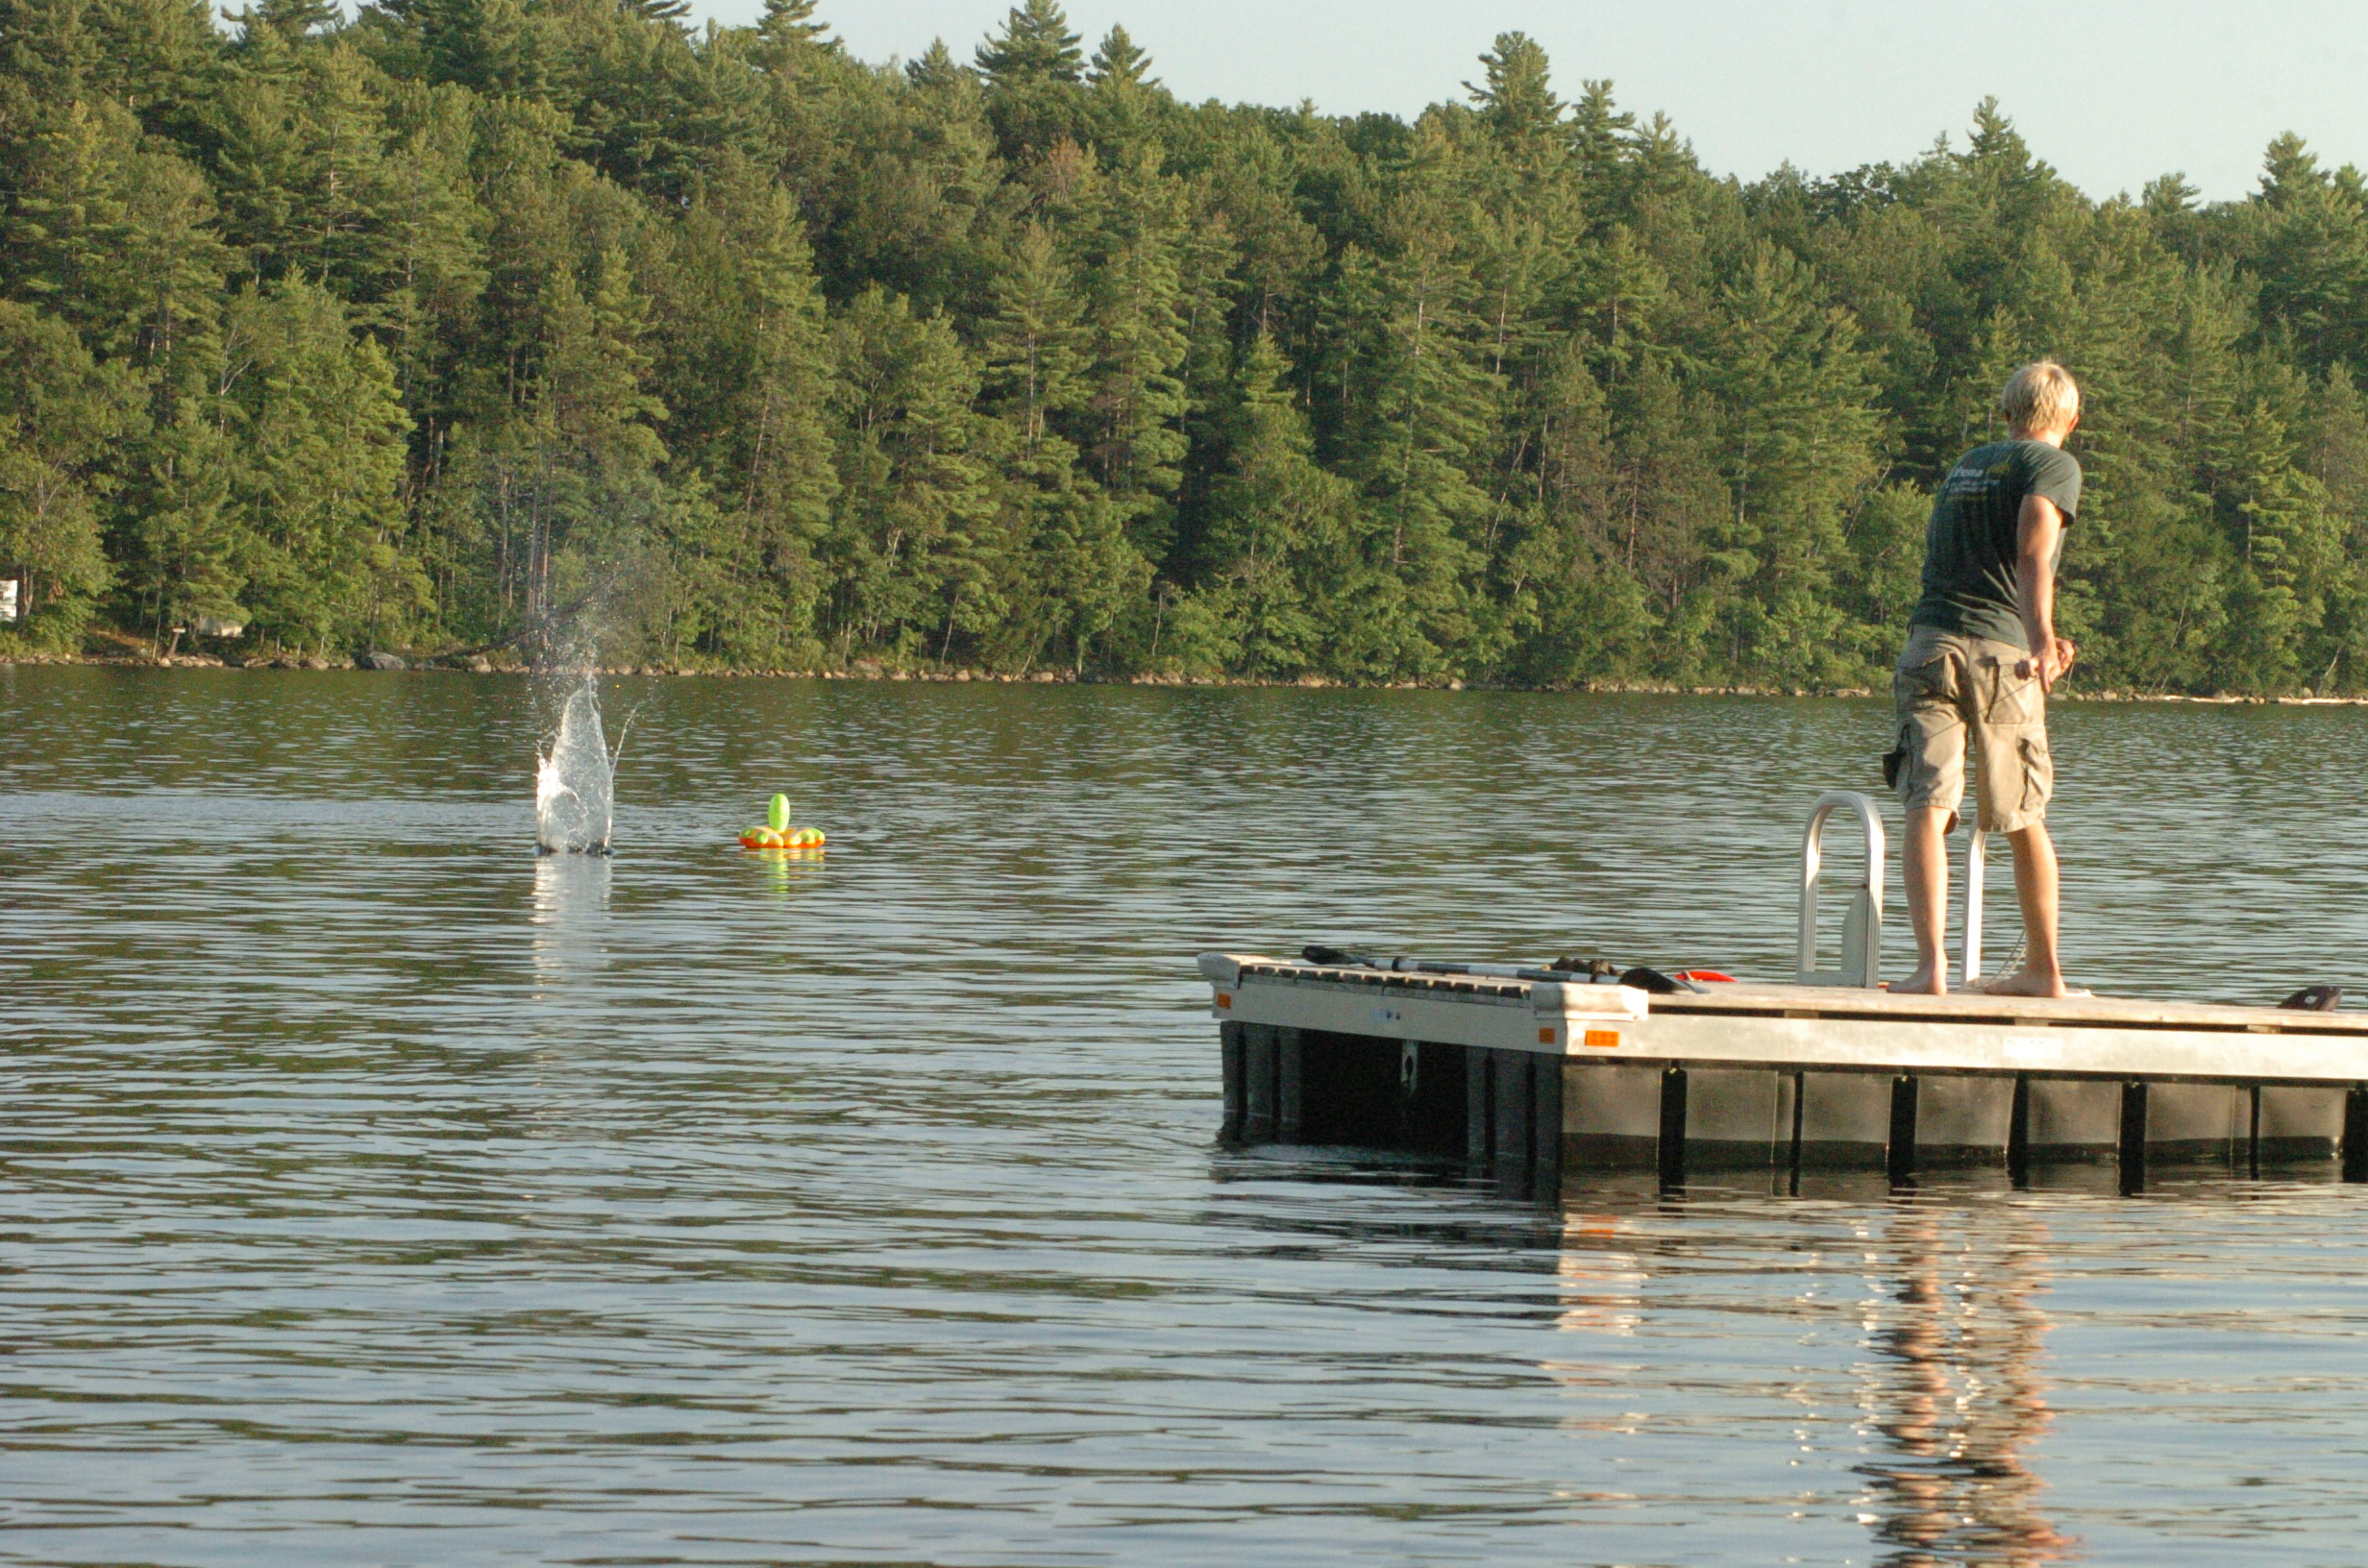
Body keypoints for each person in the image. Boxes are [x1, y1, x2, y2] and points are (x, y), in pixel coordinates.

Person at [1889, 361, 2083, 997]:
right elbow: (2031, 554)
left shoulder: (1967, 465)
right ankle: (2043, 971)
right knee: (2023, 812)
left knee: (1927, 803)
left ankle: (1931, 969)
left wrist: (2041, 632)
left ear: (2007, 411)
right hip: (2002, 657)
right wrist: (2043, 641)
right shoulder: (2053, 466)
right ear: (2072, 419)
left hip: (1929, 644)